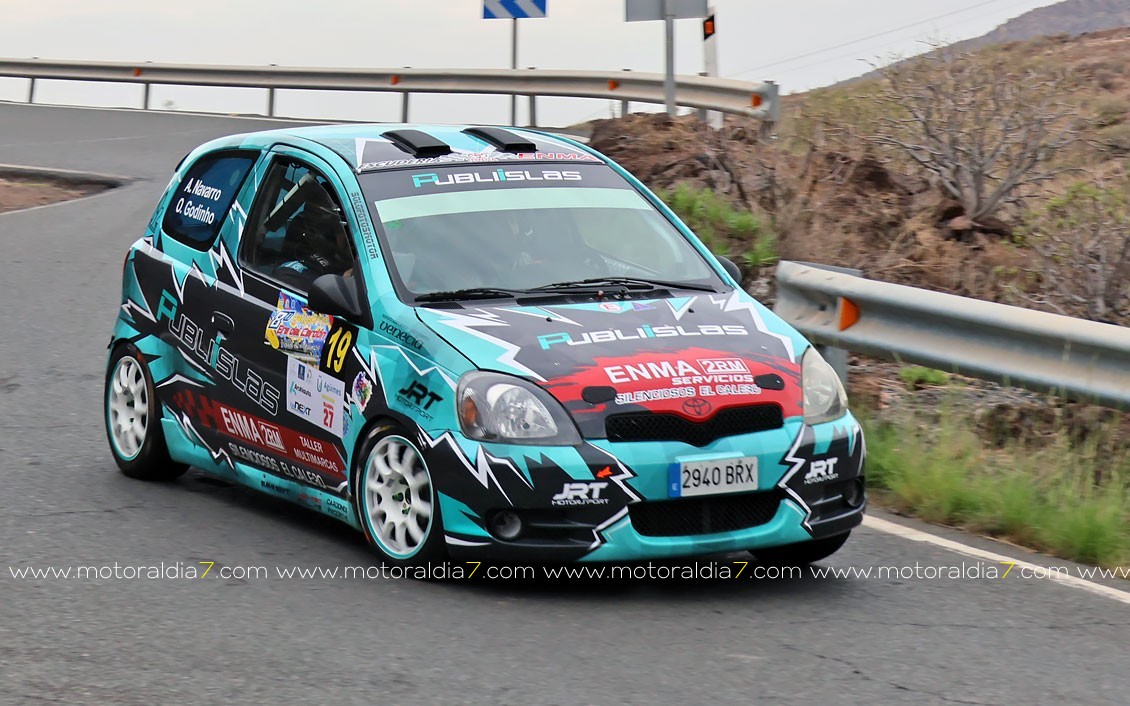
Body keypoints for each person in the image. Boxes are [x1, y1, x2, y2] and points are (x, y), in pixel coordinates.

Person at [274, 188, 353, 291]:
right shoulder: (294, 274)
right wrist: (344, 279)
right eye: (344, 229)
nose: (351, 237)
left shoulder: (368, 265)